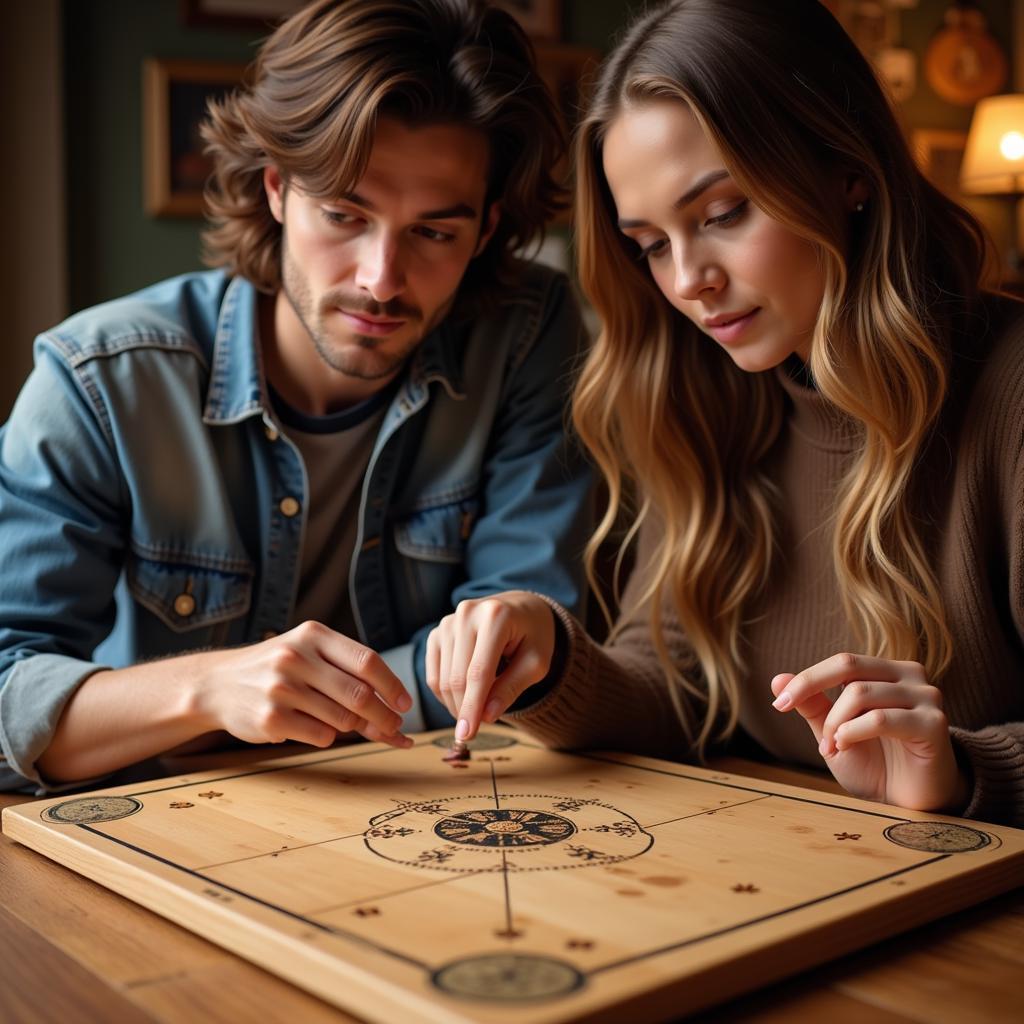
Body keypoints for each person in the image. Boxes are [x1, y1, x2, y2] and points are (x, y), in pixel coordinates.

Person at [426, 0, 1024, 827]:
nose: (687, 281)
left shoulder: (1010, 391)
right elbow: (675, 688)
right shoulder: (712, 395)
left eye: (722, 214)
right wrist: (551, 655)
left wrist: (963, 772)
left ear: (848, 170)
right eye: (652, 244)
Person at [0, 0, 593, 791]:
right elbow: (7, 700)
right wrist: (210, 691)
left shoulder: (527, 334)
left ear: (485, 232)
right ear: (278, 190)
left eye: (434, 232)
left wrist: (506, 643)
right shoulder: (99, 379)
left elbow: (510, 657)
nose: (381, 278)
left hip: (422, 805)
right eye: (344, 215)